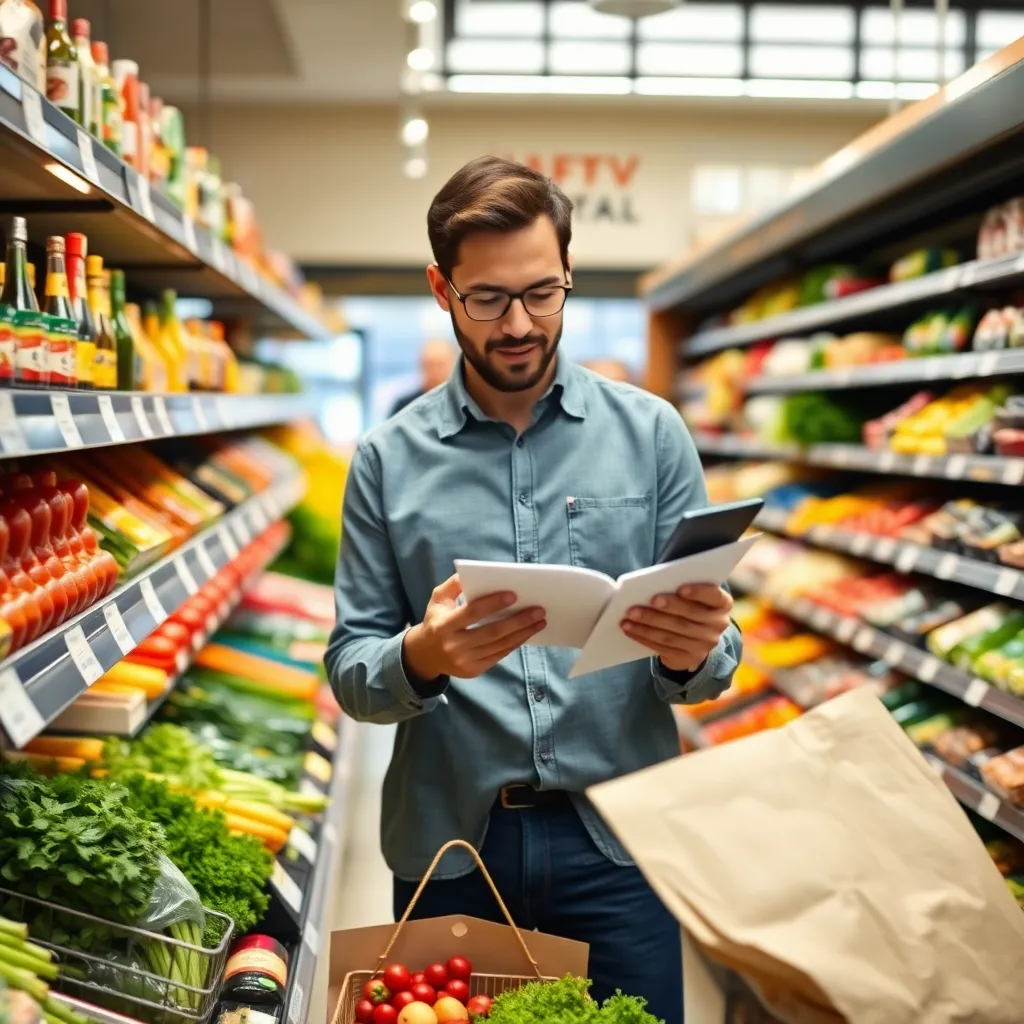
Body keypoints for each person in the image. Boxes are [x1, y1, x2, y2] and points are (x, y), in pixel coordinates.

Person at [325, 156, 741, 1024]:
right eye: (488, 299)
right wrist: (422, 656)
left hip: (621, 845)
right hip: (452, 854)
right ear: (443, 289)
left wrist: (695, 649)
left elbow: (717, 664)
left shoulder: (652, 434)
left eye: (542, 294)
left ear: (569, 277)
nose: (518, 324)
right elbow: (352, 668)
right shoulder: (386, 460)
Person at [388, 337, 457, 416]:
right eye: (429, 365)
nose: (435, 372)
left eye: (439, 365)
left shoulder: (466, 405)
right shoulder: (404, 408)